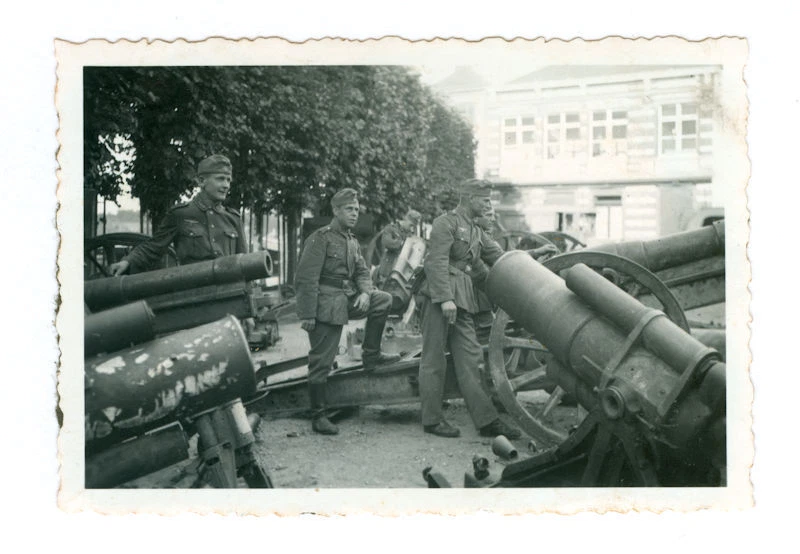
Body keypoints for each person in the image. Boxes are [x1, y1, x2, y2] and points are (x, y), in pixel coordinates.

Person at [295, 188, 401, 435]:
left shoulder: (352, 241)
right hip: (325, 305)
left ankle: (371, 356)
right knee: (321, 361)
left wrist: (366, 292)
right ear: (336, 210)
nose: (354, 214)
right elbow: (305, 278)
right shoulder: (320, 238)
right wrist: (308, 315)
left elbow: (363, 272)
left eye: (356, 209)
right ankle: (318, 416)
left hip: (348, 298)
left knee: (382, 300)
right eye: (349, 209)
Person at [109, 154, 246, 275]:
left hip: (228, 292)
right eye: (220, 179)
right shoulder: (181, 214)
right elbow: (154, 247)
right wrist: (127, 261)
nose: (226, 185)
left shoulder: (233, 218)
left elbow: (244, 260)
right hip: (192, 290)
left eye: (228, 180)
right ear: (201, 181)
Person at [373, 209, 422, 288]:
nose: (411, 229)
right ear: (406, 219)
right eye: (411, 225)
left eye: (414, 227)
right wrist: (403, 243)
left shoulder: (410, 235)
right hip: (387, 270)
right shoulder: (391, 228)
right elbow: (387, 243)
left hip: (401, 272)